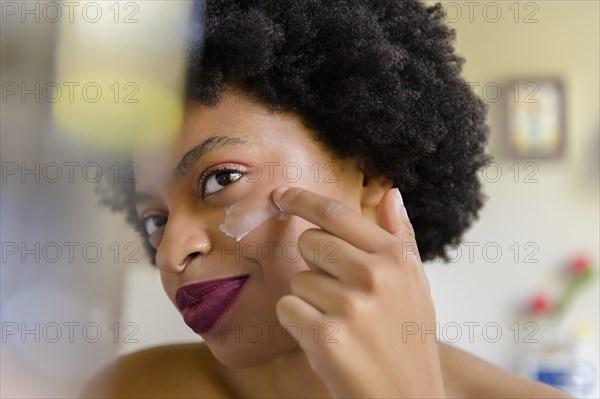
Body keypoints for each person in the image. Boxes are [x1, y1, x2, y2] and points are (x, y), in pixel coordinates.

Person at [83, 0, 574, 397]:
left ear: (371, 167)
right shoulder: (131, 388)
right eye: (155, 220)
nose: (169, 254)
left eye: (222, 179)